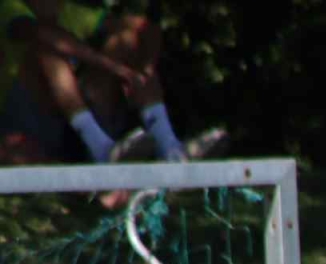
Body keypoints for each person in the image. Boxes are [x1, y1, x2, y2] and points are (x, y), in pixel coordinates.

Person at [0, 1, 221, 168]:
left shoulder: (71, 10)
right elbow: (44, 34)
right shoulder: (10, 7)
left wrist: (146, 68)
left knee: (126, 39)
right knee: (47, 52)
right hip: (26, 123)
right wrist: (114, 68)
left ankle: (169, 147)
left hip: (70, 117)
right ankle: (100, 148)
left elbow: (145, 26)